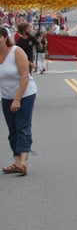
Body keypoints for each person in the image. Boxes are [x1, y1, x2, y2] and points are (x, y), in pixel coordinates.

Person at [0, 26, 37, 176]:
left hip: (25, 94)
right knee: (12, 129)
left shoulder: (16, 51)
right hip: (6, 96)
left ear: (4, 37)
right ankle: (16, 162)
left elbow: (25, 76)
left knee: (22, 126)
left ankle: (23, 162)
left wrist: (17, 99)